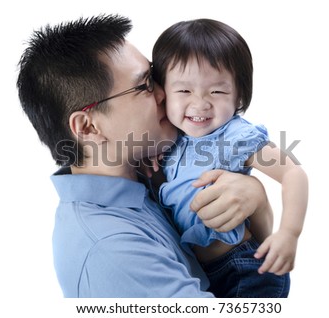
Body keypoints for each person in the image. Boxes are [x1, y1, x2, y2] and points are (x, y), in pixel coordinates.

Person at [16, 14, 275, 297]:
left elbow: (245, 264)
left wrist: (256, 198)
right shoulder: (113, 250)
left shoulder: (148, 174)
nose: (166, 93)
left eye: (154, 75)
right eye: (145, 85)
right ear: (88, 126)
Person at [152, 19, 308, 297]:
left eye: (217, 91)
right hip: (200, 273)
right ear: (162, 93)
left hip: (243, 268)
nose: (200, 103)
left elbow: (293, 173)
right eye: (184, 91)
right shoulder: (171, 139)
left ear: (239, 97)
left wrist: (289, 233)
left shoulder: (236, 136)